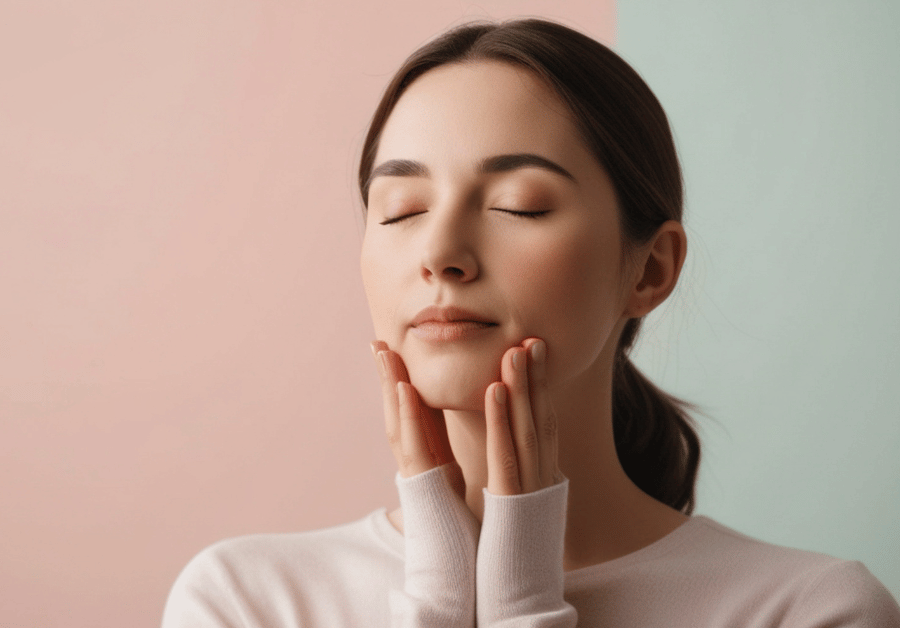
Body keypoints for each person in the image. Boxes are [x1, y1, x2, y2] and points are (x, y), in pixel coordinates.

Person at [161, 18, 900, 627]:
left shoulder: (809, 611)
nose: (441, 253)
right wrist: (443, 585)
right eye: (401, 211)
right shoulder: (246, 600)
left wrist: (520, 598)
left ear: (649, 270)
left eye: (520, 204)